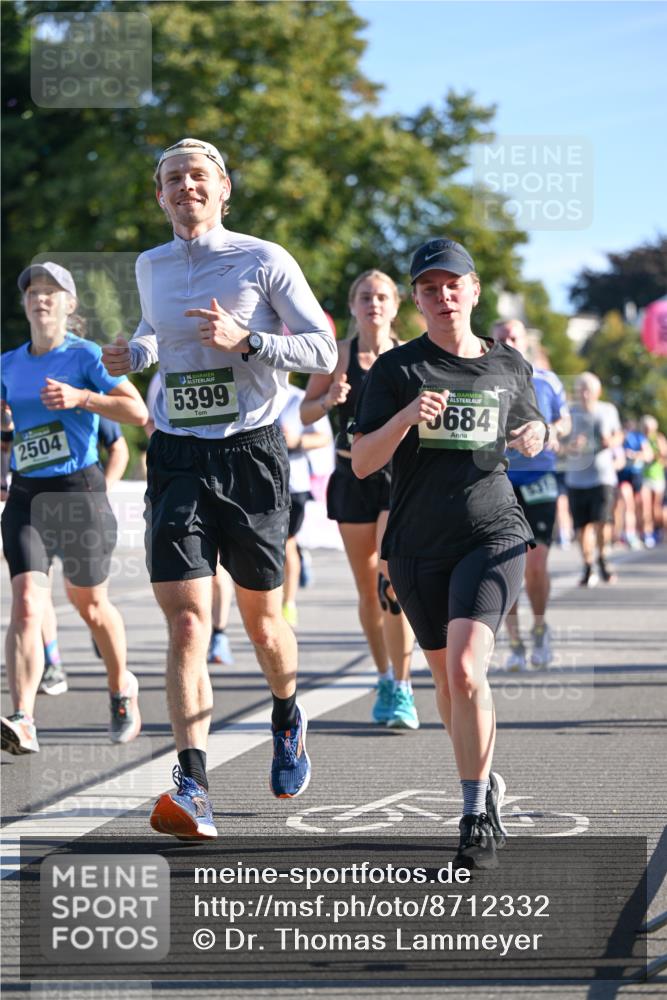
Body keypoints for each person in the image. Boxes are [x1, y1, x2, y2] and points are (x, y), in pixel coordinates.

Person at [101, 138, 336, 840]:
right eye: (172, 179)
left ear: (223, 188)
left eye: (197, 176)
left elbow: (322, 347)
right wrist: (132, 355)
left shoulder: (263, 259)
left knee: (264, 625)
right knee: (186, 622)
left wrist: (249, 341)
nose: (185, 187)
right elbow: (155, 336)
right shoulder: (150, 265)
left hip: (252, 456)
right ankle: (192, 783)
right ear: (159, 195)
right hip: (176, 454)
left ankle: (287, 713)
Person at [351, 238, 547, 868]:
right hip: (415, 543)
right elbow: (362, 462)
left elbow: (534, 425)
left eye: (453, 285)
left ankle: (473, 813)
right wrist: (407, 415)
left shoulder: (508, 364)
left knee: (466, 670)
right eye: (430, 288)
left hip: (493, 533)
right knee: (445, 679)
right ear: (416, 299)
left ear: (474, 290)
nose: (443, 296)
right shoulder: (397, 370)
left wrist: (536, 433)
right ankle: (483, 778)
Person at [1, 262, 148, 755]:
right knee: (25, 604)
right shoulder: (8, 364)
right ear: (24, 304)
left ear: (69, 304)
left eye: (51, 292)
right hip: (26, 496)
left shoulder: (85, 355)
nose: (40, 299)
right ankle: (23, 717)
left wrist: (82, 397)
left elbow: (137, 412)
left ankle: (121, 686)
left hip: (79, 493)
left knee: (90, 605)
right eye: (32, 292)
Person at [301, 270, 419, 730]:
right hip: (351, 474)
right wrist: (329, 398)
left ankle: (405, 687)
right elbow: (305, 409)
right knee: (368, 587)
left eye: (383, 296)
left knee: (392, 585)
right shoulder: (336, 355)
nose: (374, 303)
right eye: (366, 296)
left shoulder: (408, 356)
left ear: (395, 306)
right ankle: (385, 676)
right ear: (353, 306)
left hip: (396, 477)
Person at [491, 320, 570, 671]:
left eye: (514, 336)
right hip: (500, 478)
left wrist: (551, 431)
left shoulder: (548, 380)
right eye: (502, 337)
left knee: (536, 565)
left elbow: (565, 421)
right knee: (505, 567)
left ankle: (539, 629)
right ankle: (516, 642)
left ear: (526, 341)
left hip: (539, 477)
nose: (509, 341)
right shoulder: (484, 379)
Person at [145, 371, 234, 665]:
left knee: (216, 565)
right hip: (178, 474)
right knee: (186, 568)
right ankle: (188, 630)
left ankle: (218, 634)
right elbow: (150, 422)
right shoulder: (162, 377)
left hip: (225, 469)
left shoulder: (226, 358)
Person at [40, 417, 130, 692]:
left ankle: (99, 629)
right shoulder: (16, 389)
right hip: (34, 507)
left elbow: (119, 449)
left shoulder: (78, 390)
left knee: (82, 597)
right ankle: (51, 662)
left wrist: (101, 491)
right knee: (34, 591)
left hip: (81, 509)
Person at [278, 382, 332, 626]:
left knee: (287, 544)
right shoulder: (249, 389)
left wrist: (296, 440)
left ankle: (287, 603)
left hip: (293, 484)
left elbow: (323, 437)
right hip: (256, 482)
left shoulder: (299, 398)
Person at [564, 373, 623, 587]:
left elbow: (619, 435)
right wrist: (571, 446)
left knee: (602, 521)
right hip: (576, 478)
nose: (584, 393)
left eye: (588, 389)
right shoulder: (569, 413)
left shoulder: (608, 410)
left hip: (603, 476)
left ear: (597, 391)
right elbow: (558, 445)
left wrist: (612, 441)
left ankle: (603, 557)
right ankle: (588, 564)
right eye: (581, 388)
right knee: (582, 526)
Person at [614, 419, 651, 550]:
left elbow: (648, 455)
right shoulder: (617, 440)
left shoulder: (639, 437)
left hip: (636, 476)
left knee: (637, 506)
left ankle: (640, 533)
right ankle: (624, 534)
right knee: (625, 504)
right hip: (622, 477)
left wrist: (635, 455)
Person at [639, 415, 667, 547]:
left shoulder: (659, 439)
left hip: (657, 477)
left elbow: (664, 456)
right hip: (645, 477)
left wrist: (655, 455)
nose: (647, 430)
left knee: (656, 508)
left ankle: (659, 529)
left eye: (649, 427)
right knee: (646, 507)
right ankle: (648, 533)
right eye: (645, 427)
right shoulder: (642, 439)